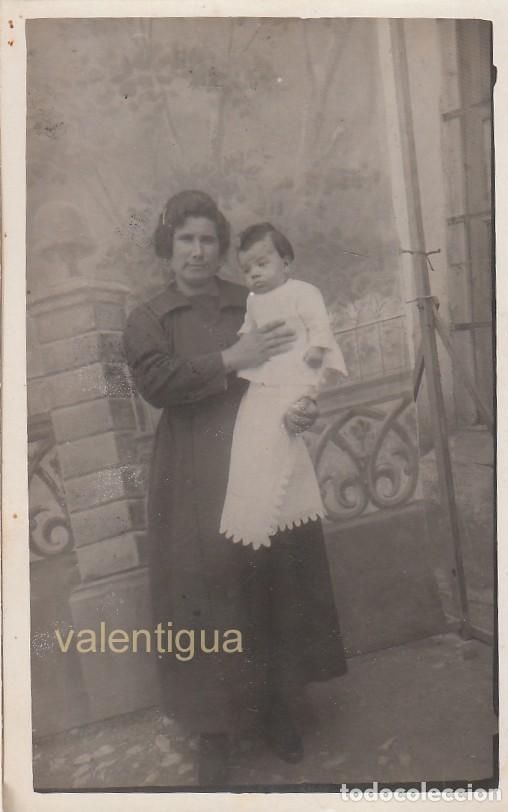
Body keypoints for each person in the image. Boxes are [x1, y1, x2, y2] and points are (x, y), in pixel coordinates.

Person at [123, 191, 347, 786]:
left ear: (222, 247)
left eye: (207, 240)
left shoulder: (252, 297)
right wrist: (233, 356)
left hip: (260, 451)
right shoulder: (150, 315)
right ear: (167, 251)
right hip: (191, 470)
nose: (197, 251)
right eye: (185, 241)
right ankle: (213, 731)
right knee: (202, 594)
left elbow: (298, 359)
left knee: (268, 581)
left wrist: (302, 406)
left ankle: (277, 709)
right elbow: (156, 381)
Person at [220, 222, 348, 549]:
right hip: (271, 372)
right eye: (248, 270)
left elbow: (319, 323)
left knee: (283, 422)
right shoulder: (253, 301)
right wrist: (244, 343)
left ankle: (264, 490)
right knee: (254, 427)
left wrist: (317, 347)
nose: (255, 275)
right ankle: (254, 503)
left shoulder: (303, 292)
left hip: (301, 364)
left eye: (263, 265)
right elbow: (249, 331)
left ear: (286, 263)